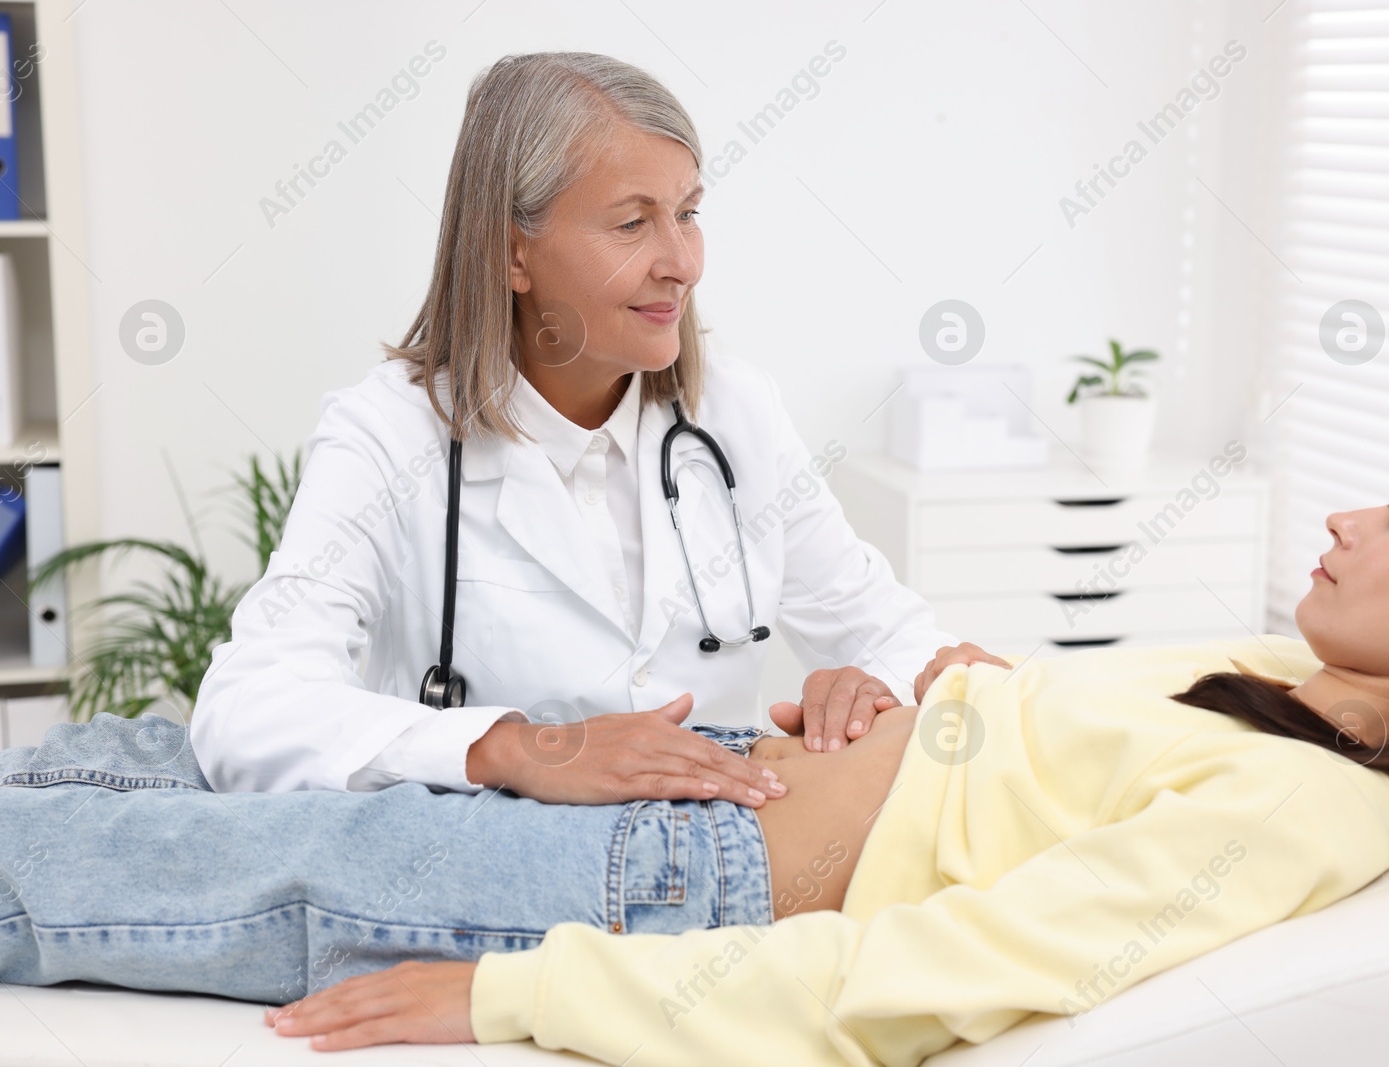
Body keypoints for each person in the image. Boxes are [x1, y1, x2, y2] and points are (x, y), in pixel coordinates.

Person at [0, 429, 1389, 1066]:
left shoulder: (1306, 808)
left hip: (676, 873)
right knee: (145, 752)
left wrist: (516, 986)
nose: (1351, 513)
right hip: (709, 759)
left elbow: (925, 969)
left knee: (64, 868)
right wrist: (867, 700)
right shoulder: (1279, 672)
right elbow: (1001, 734)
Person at [188, 50, 956, 799]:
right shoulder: (392, 433)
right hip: (493, 907)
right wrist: (521, 748)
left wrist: (871, 690)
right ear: (512, 252)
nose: (681, 262)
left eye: (687, 215)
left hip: (716, 892)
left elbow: (904, 643)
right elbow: (246, 709)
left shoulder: (736, 413)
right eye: (632, 224)